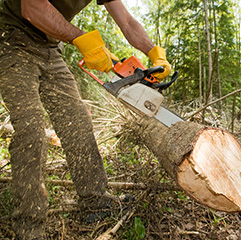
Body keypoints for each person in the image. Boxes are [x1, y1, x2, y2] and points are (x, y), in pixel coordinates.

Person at [0, 0, 171, 239]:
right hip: (11, 38)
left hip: (50, 48)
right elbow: (32, 6)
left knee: (77, 122)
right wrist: (82, 39)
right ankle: (29, 226)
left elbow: (128, 22)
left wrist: (154, 52)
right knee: (31, 128)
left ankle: (95, 201)